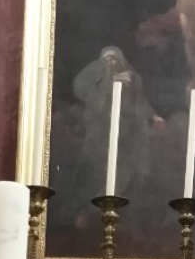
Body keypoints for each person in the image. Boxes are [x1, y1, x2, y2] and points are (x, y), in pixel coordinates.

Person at [69, 47, 164, 222]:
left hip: (127, 135)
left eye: (114, 58)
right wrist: (110, 83)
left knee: (124, 172)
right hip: (101, 135)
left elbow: (140, 102)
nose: (111, 62)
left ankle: (103, 211)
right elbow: (84, 93)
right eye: (106, 59)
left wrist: (154, 116)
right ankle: (84, 212)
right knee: (97, 171)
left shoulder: (130, 81)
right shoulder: (97, 81)